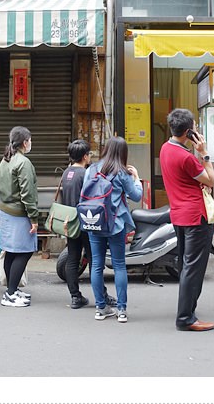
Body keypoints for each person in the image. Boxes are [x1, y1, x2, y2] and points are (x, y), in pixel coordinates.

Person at [159, 108, 214, 332]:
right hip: (195, 215)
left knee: (186, 266)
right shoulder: (186, 157)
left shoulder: (166, 148)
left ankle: (188, 313)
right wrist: (204, 154)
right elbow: (210, 180)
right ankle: (185, 318)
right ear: (189, 131)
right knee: (194, 268)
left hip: (179, 215)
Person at [84, 136, 142, 323]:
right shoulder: (122, 173)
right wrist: (136, 178)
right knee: (119, 265)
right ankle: (122, 310)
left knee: (97, 265)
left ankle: (100, 308)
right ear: (123, 153)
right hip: (115, 224)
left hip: (94, 221)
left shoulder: (91, 169)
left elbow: (84, 193)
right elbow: (136, 195)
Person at [59, 139, 113, 310]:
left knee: (73, 258)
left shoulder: (66, 172)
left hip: (70, 221)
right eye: (88, 154)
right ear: (84, 156)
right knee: (94, 260)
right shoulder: (86, 173)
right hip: (87, 221)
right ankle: (102, 296)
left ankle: (75, 297)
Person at [0, 126, 38, 308]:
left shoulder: (6, 159)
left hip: (6, 210)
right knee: (24, 251)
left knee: (11, 251)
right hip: (19, 213)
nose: (31, 143)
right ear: (25, 142)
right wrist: (34, 218)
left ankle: (11, 290)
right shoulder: (23, 162)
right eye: (30, 140)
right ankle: (11, 293)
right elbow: (27, 193)